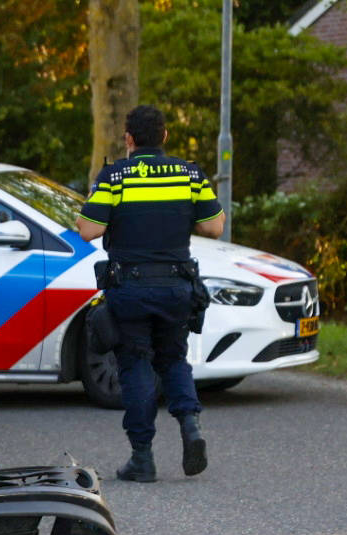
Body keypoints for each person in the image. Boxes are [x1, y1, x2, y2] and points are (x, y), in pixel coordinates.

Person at [75, 105, 225, 482]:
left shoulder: (115, 176)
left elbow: (88, 231)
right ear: (165, 136)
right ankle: (191, 428)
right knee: (174, 359)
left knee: (136, 363)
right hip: (178, 286)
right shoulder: (190, 174)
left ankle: (142, 458)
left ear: (128, 138)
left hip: (131, 289)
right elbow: (215, 226)